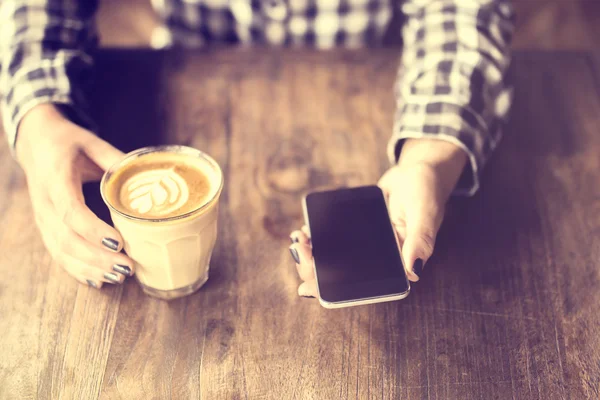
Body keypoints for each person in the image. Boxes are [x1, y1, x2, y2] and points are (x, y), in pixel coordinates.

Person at [0, 0, 514, 293]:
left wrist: (427, 158)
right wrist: (39, 117)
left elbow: (462, 16)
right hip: (185, 79)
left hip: (379, 93)